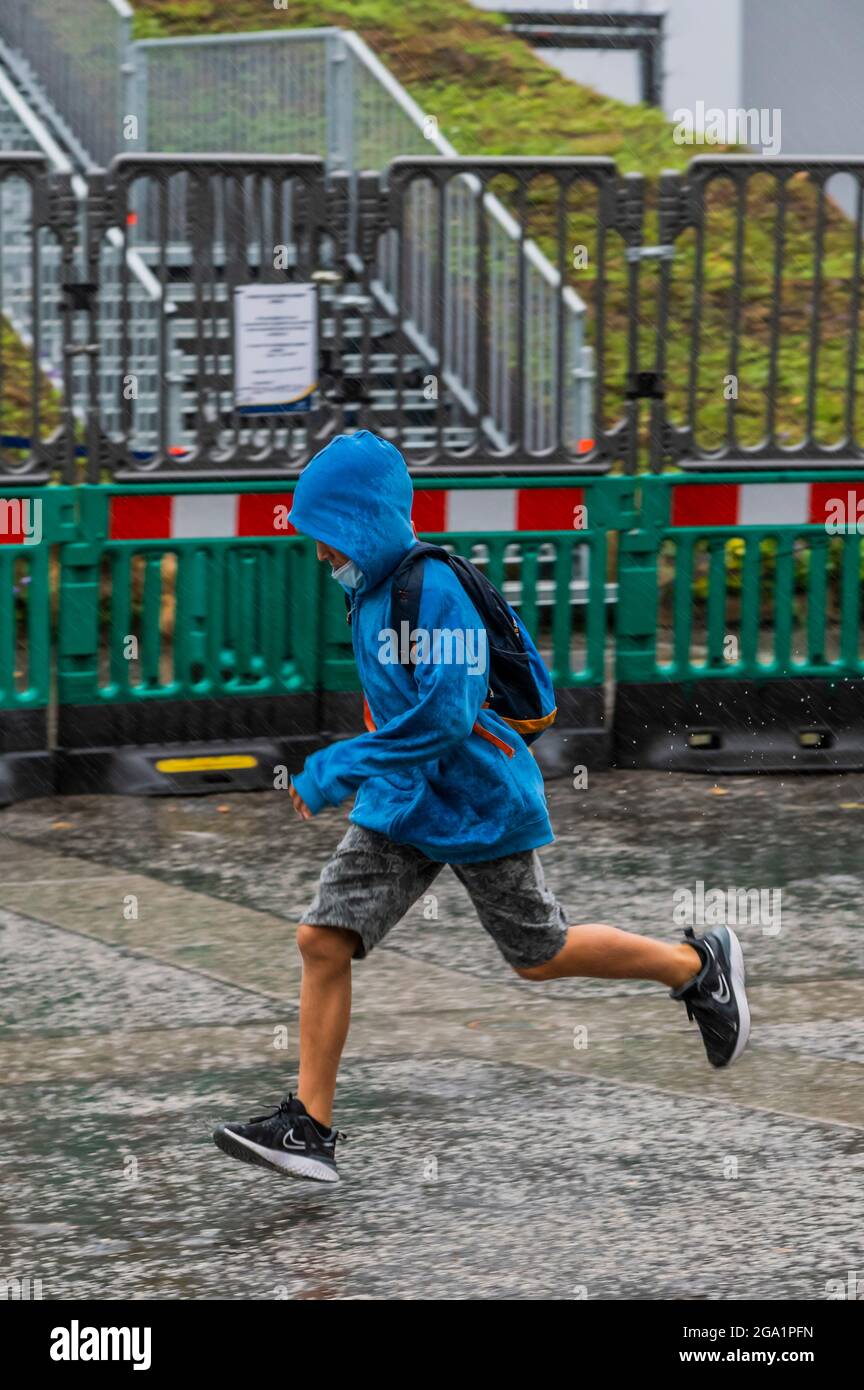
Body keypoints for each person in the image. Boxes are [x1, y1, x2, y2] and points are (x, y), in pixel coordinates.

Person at [213, 431, 750, 1183]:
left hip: (478, 801)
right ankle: (309, 1128)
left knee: (540, 955)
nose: (318, 553)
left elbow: (447, 716)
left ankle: (696, 966)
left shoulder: (432, 590)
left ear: (364, 522)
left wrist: (340, 765)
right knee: (322, 941)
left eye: (327, 534)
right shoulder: (370, 591)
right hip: (404, 803)